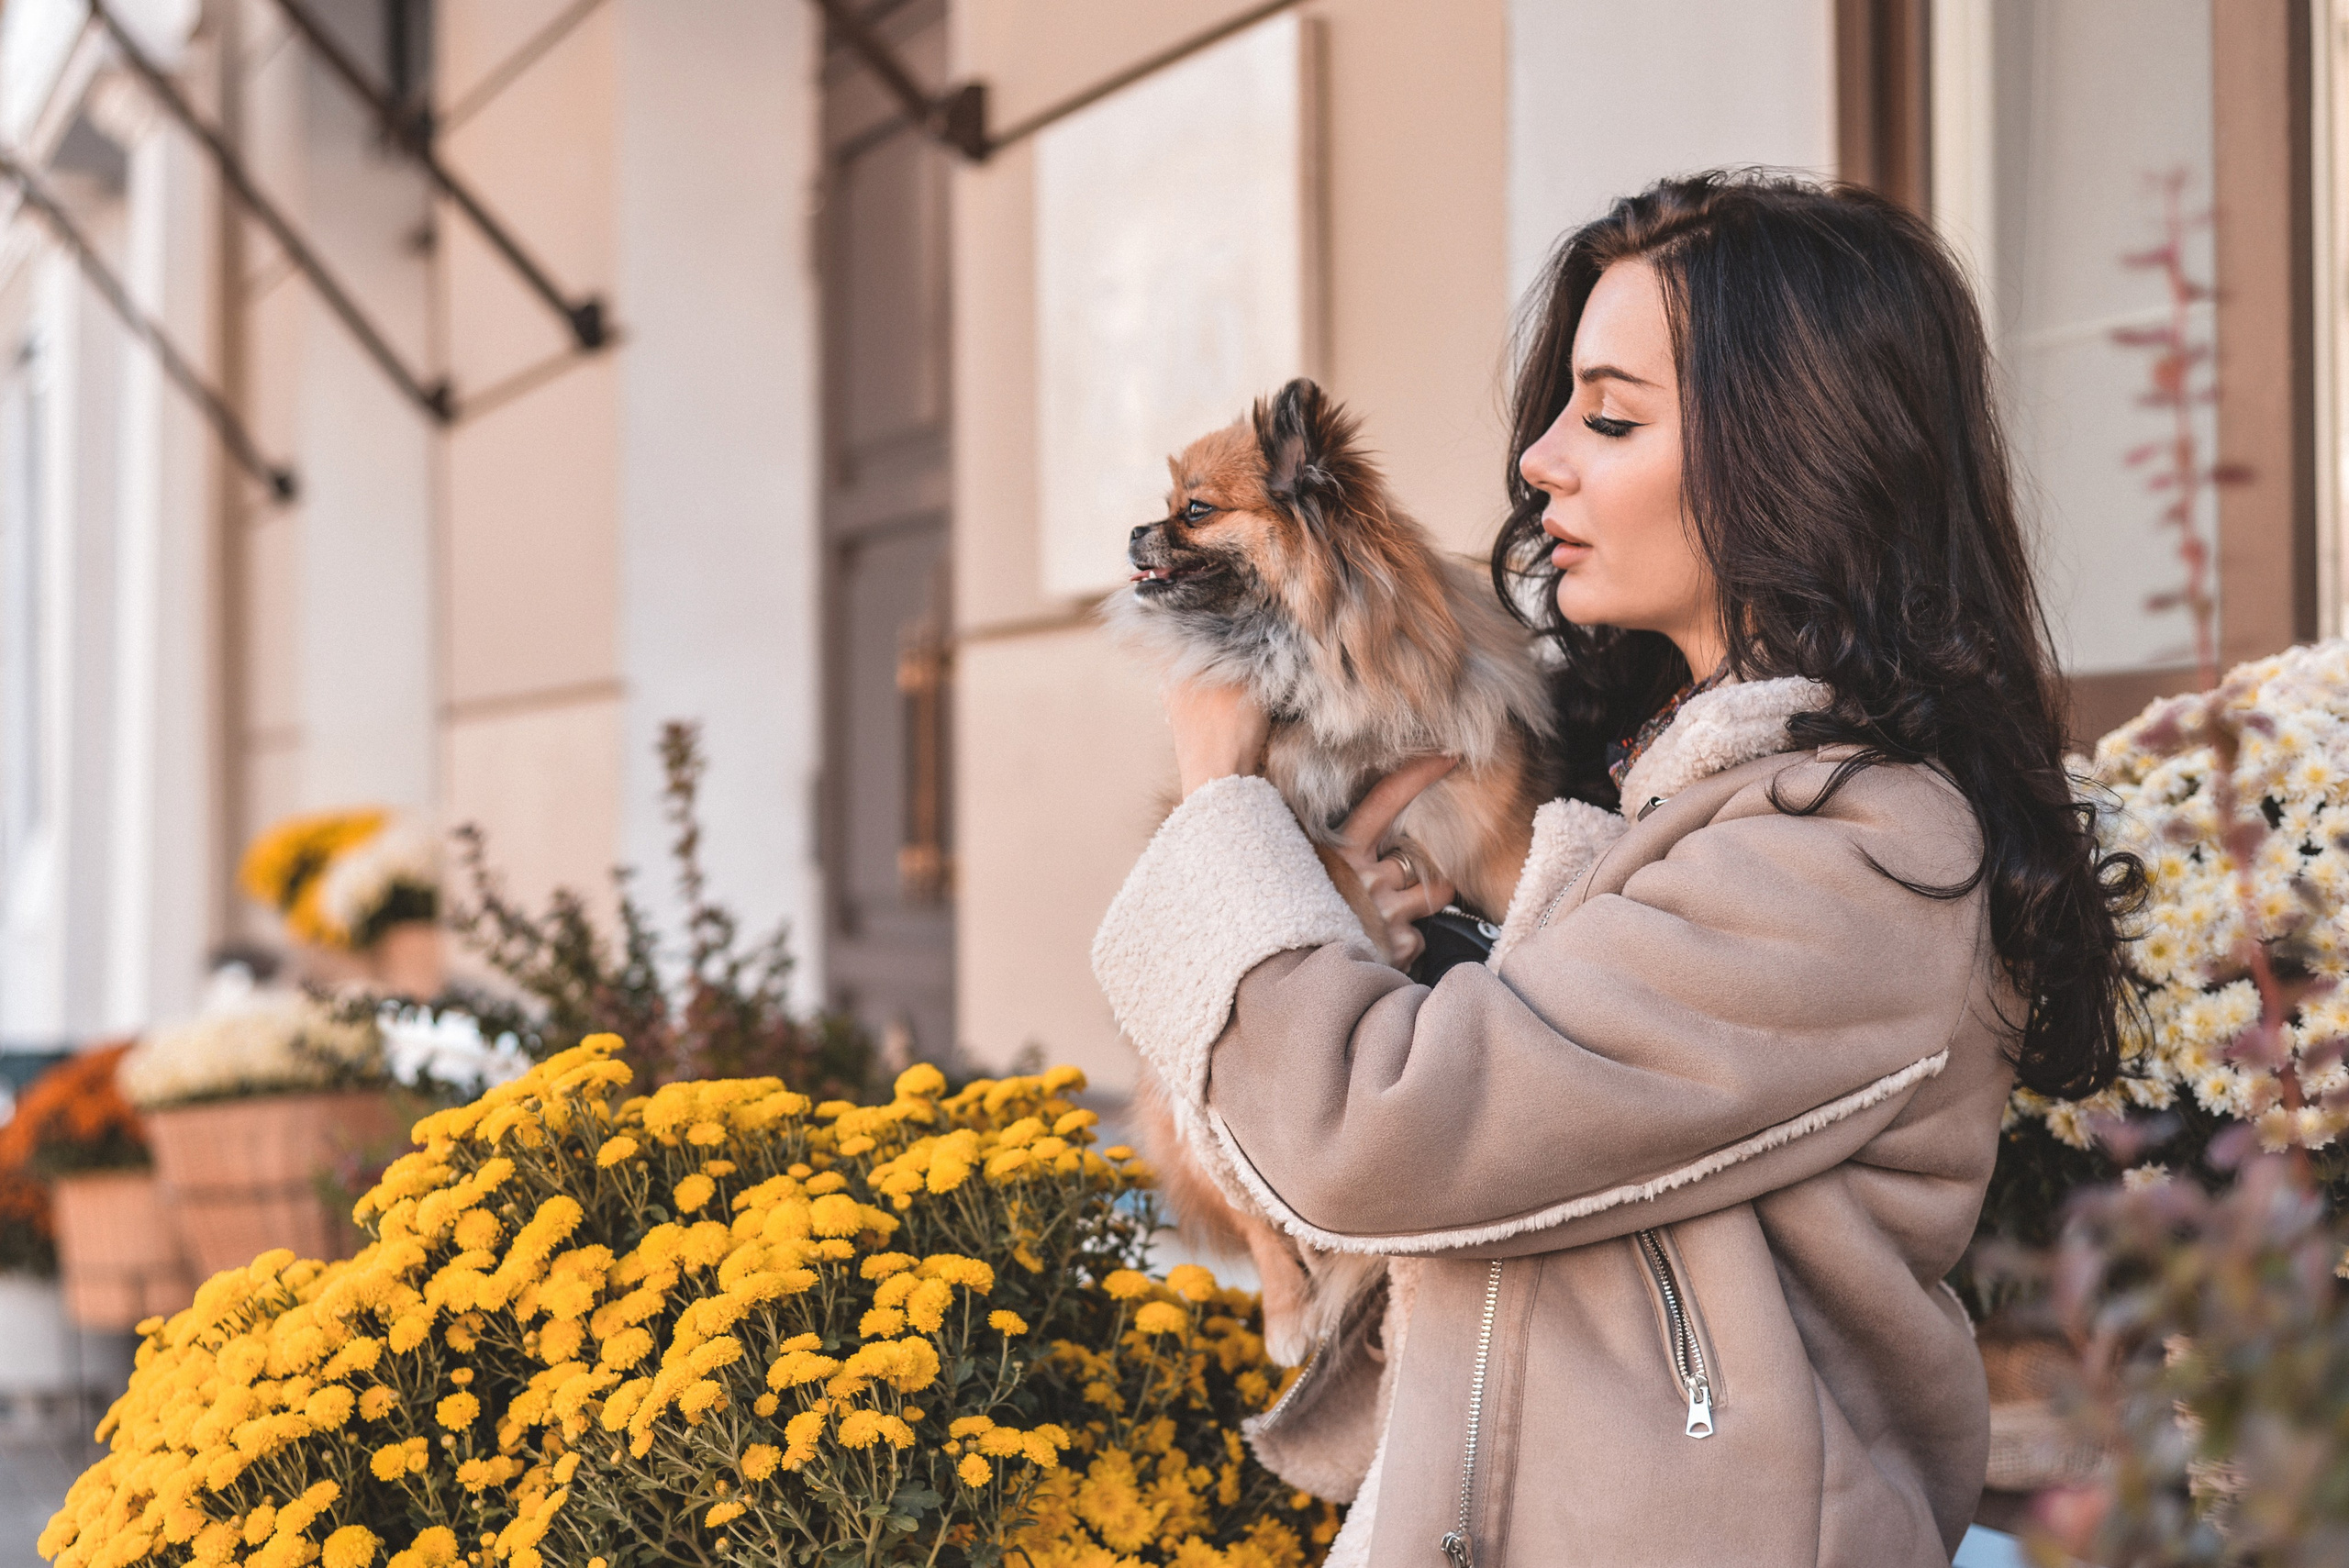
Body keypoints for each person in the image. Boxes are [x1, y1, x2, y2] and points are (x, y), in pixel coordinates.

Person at [1090, 172, 2140, 1567]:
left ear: (1793, 456)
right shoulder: (1635, 792)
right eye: (1559, 407)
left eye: (1612, 415)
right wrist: (1350, 919)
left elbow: (1376, 1139)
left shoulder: (1862, 854)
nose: (1538, 458)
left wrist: (1223, 804)